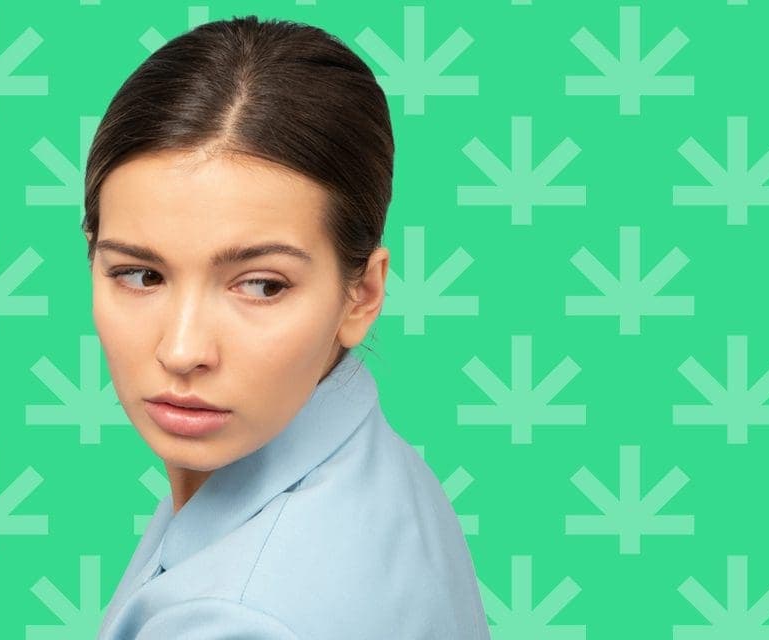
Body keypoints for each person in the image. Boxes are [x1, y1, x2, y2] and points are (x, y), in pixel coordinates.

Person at [83, 14, 490, 639]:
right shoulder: (372, 463)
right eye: (141, 275)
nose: (183, 350)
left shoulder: (236, 620)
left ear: (362, 293)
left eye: (262, 285)